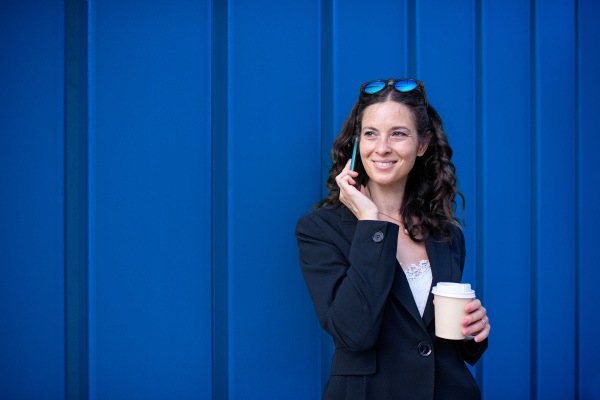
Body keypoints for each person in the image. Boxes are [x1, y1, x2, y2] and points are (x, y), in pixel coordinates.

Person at [295, 79, 490, 400]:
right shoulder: (320, 230)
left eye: (398, 133)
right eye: (370, 133)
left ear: (423, 144)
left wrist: (474, 333)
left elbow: (436, 334)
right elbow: (354, 334)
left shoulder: (447, 234)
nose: (382, 147)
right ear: (357, 143)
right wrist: (371, 223)